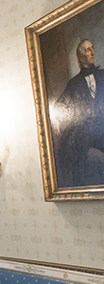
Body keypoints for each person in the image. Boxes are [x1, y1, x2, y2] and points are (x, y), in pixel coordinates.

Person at [55, 39, 104, 187]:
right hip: (85, 130)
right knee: (72, 152)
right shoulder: (74, 83)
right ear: (81, 57)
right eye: (88, 50)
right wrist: (56, 121)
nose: (92, 52)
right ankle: (79, 187)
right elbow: (60, 105)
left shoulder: (103, 75)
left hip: (102, 126)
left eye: (92, 48)